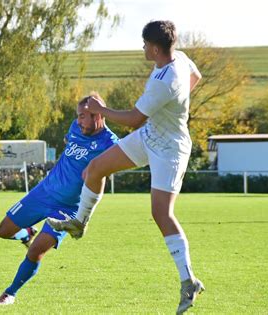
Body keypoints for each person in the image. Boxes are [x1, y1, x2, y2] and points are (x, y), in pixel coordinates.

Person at [47, 20, 203, 314]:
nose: (142, 47)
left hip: (170, 149)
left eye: (144, 44)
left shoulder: (164, 81)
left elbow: (133, 119)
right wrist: (177, 108)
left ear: (155, 48)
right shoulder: (180, 59)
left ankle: (188, 280)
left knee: (161, 213)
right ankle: (79, 224)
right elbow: (196, 76)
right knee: (94, 169)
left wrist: (100, 110)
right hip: (149, 137)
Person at [0, 93, 119, 305]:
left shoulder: (110, 143)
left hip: (68, 209)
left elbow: (104, 177)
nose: (78, 121)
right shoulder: (75, 128)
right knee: (3, 231)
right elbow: (70, 142)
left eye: (82, 116)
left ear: (98, 115)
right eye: (77, 116)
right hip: (43, 192)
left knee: (36, 251)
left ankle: (10, 292)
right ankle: (26, 234)